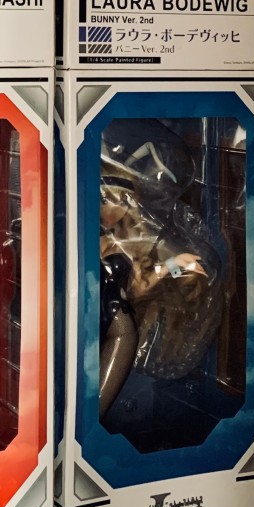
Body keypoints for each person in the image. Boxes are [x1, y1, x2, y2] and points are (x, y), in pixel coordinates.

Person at [98, 175, 208, 418]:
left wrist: (168, 268)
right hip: (94, 313)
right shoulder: (102, 236)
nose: (102, 206)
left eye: (107, 200)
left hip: (123, 319)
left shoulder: (144, 241)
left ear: (127, 202)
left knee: (122, 338)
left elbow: (189, 270)